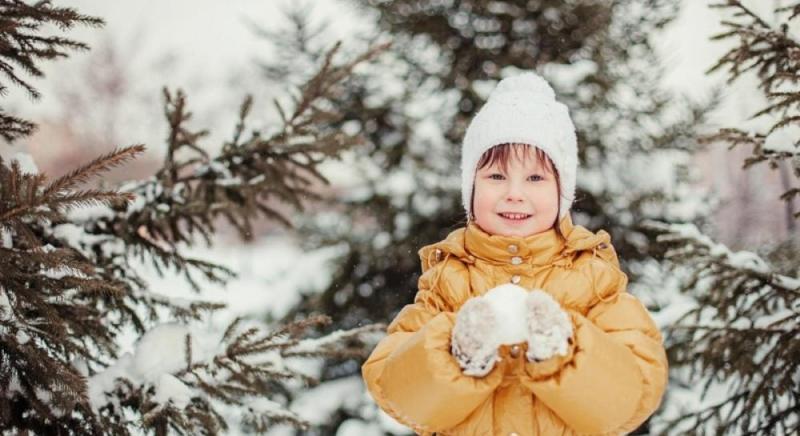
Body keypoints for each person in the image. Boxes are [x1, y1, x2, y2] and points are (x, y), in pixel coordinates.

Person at [361, 72, 669, 435]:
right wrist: (455, 350)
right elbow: (394, 386)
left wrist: (565, 347)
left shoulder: (592, 278)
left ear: (562, 192)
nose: (514, 193)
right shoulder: (449, 282)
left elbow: (634, 393)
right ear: (470, 189)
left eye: (535, 179)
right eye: (496, 177)